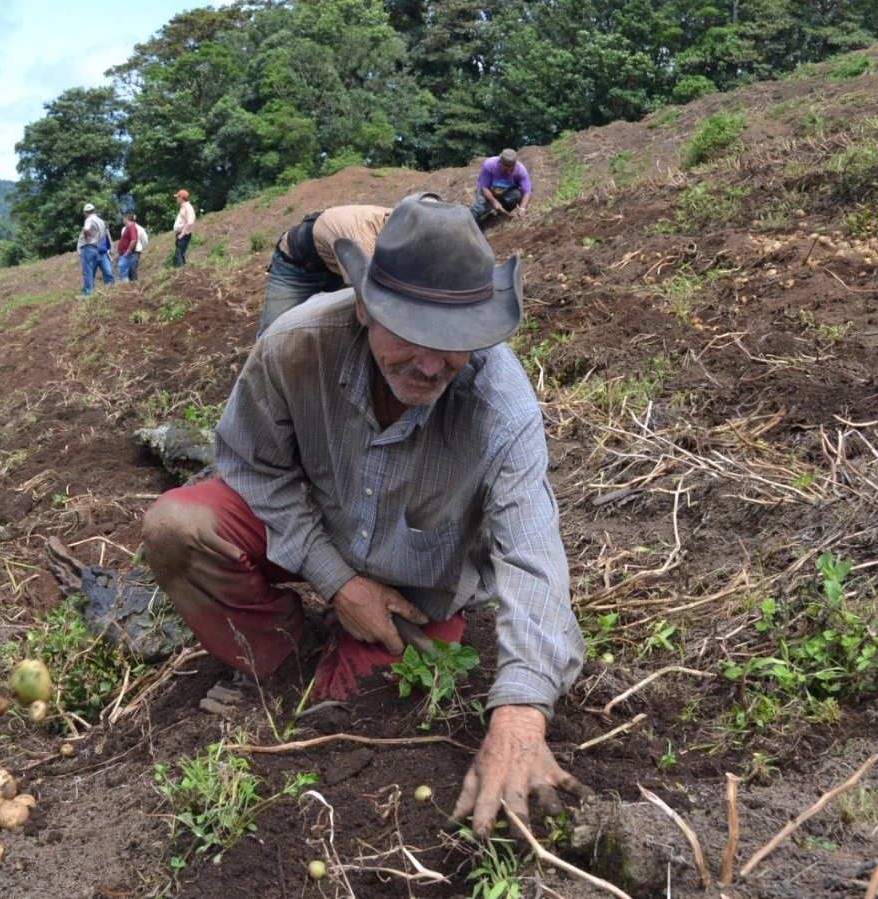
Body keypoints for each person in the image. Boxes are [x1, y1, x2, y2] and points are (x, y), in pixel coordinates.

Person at [141, 193, 589, 841]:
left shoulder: (501, 406)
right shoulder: (295, 346)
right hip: (319, 529)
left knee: (355, 718)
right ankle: (281, 654)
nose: (430, 364)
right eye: (409, 335)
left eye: (453, 344)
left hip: (415, 585)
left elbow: (532, 553)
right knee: (178, 527)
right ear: (363, 305)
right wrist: (337, 580)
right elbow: (250, 464)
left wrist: (520, 711)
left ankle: (337, 662)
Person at [258, 205, 391, 336]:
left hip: (335, 265)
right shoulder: (362, 238)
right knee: (272, 332)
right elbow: (368, 297)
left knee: (348, 326)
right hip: (297, 267)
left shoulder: (402, 221)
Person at [470, 149, 532, 224]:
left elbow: (527, 192)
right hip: (487, 191)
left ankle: (501, 212)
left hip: (505, 193)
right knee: (480, 207)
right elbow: (484, 187)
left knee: (517, 195)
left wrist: (522, 208)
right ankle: (467, 223)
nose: (509, 172)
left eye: (512, 169)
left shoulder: (521, 170)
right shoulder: (489, 165)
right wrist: (493, 201)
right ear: (500, 163)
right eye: (506, 169)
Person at [77, 203, 114, 295]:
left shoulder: (89, 220)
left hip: (89, 248)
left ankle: (87, 293)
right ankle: (108, 290)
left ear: (85, 212)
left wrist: (87, 237)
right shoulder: (101, 222)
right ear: (94, 210)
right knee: (94, 272)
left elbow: (86, 229)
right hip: (96, 248)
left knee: (88, 272)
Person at [116, 212, 145, 282]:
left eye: (123, 218)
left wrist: (127, 251)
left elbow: (134, 239)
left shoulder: (132, 227)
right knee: (125, 273)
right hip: (124, 254)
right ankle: (127, 288)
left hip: (127, 255)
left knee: (125, 274)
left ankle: (126, 288)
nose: (123, 220)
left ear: (126, 218)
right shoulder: (128, 228)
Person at [172, 189, 195, 267]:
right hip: (181, 235)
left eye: (177, 197)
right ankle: (183, 272)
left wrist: (182, 234)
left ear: (181, 197)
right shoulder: (184, 207)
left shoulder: (188, 207)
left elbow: (190, 221)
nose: (176, 199)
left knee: (177, 257)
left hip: (184, 235)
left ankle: (180, 274)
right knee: (180, 255)